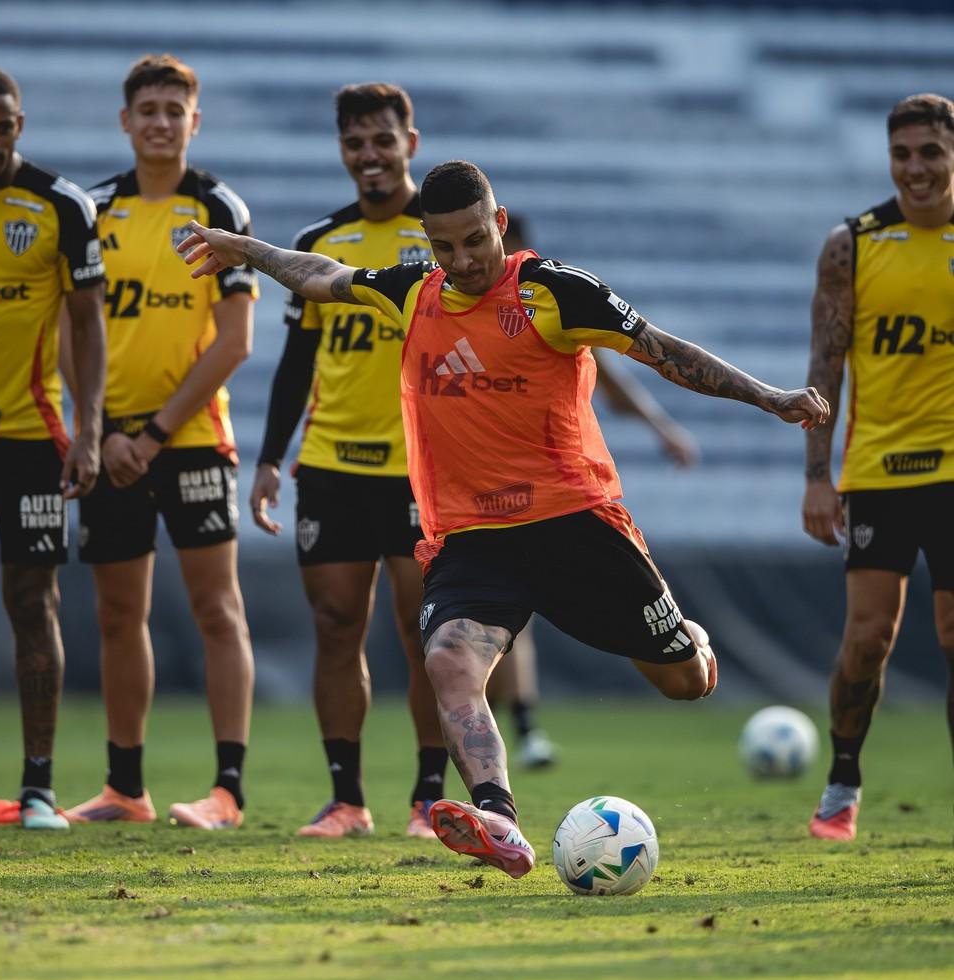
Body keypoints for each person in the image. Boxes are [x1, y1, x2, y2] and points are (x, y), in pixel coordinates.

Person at [178, 159, 829, 877]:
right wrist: (249, 251)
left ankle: (691, 641)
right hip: (473, 538)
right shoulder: (413, 295)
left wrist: (770, 398)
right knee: (449, 660)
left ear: (499, 222)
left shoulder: (553, 290)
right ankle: (500, 819)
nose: (460, 262)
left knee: (684, 680)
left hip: (575, 524)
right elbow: (321, 275)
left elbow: (663, 351)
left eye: (472, 242)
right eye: (442, 248)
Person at [62, 54, 258, 830]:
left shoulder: (219, 208)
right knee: (118, 614)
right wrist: (101, 430)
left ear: (194, 121)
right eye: (148, 108)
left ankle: (228, 793)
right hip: (110, 443)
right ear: (125, 120)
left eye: (175, 109)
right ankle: (125, 789)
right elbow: (69, 332)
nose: (160, 121)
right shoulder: (93, 208)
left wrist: (149, 434)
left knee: (217, 609)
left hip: (192, 439)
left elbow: (235, 341)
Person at [251, 82, 446, 838]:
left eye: (382, 141)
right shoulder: (319, 240)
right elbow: (296, 362)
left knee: (422, 628)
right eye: (355, 143)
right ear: (343, 151)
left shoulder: (440, 239)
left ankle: (430, 798)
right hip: (331, 465)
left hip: (420, 468)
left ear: (410, 144)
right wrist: (270, 458)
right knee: (335, 626)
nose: (369, 155)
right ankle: (346, 799)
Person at [489, 216, 698, 769]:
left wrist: (662, 430)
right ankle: (504, 750)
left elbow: (614, 377)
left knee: (681, 677)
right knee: (480, 624)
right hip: (478, 493)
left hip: (560, 498)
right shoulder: (446, 307)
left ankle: (523, 731)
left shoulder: (545, 307)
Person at [802, 93, 954, 841]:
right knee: (868, 639)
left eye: (930, 152)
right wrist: (815, 475)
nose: (916, 169)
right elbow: (823, 368)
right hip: (879, 473)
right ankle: (843, 777)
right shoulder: (854, 244)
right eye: (903, 155)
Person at [0, 66, 106, 829]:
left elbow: (88, 324)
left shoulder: (60, 206)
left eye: (2, 126)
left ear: (20, 125)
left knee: (32, 601)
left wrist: (88, 431)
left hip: (30, 439)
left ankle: (38, 790)